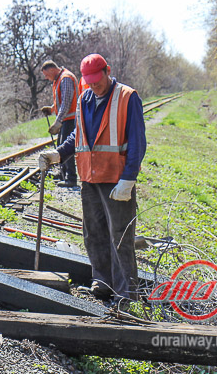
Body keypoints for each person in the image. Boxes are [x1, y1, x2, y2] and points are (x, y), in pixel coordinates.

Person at [38, 54, 147, 303]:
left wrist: (128, 180)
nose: (94, 86)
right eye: (90, 82)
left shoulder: (127, 97)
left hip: (116, 179)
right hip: (89, 178)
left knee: (120, 236)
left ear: (108, 71)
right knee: (94, 233)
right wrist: (58, 154)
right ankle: (103, 281)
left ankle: (126, 292)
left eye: (98, 80)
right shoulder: (85, 97)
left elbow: (138, 142)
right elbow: (79, 133)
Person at [40, 60, 79, 187]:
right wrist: (51, 109)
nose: (46, 78)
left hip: (70, 119)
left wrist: (58, 122)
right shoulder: (60, 79)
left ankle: (71, 178)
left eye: (46, 75)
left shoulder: (65, 78)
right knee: (60, 146)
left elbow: (67, 103)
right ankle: (63, 174)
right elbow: (62, 100)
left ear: (52, 70)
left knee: (66, 148)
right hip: (66, 118)